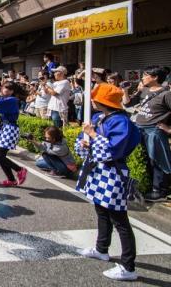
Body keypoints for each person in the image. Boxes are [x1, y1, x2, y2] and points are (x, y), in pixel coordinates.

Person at [76, 83, 141, 281]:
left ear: (103, 101)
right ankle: (101, 248)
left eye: (96, 98)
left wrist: (93, 135)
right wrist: (85, 141)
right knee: (101, 211)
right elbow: (89, 143)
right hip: (98, 171)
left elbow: (114, 150)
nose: (93, 101)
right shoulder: (99, 117)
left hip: (113, 171)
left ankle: (128, 267)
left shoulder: (121, 122)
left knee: (120, 220)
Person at [122, 66, 171, 202]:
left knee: (157, 160)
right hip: (140, 129)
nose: (142, 77)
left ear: (155, 77)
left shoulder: (166, 94)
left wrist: (168, 129)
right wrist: (125, 91)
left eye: (145, 75)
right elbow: (127, 104)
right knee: (146, 159)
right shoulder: (144, 90)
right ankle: (150, 186)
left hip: (154, 131)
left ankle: (160, 191)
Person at [0, 81, 28, 187]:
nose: (5, 90)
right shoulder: (5, 99)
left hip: (10, 129)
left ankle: (20, 170)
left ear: (12, 92)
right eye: (4, 87)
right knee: (0, 156)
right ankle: (11, 180)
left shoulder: (12, 100)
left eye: (8, 89)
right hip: (4, 128)